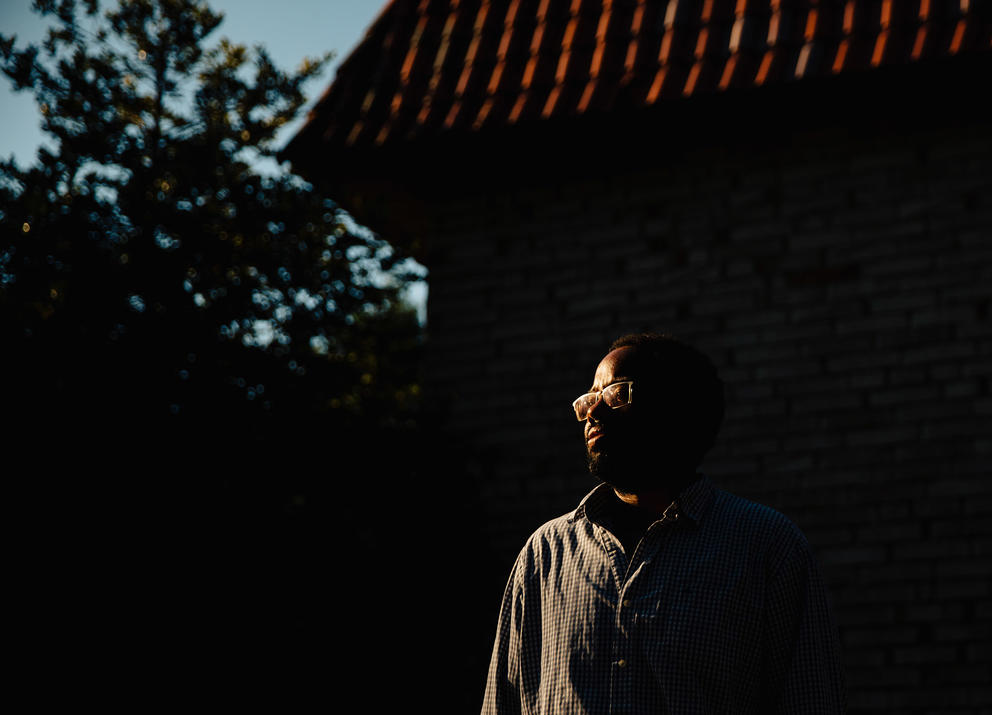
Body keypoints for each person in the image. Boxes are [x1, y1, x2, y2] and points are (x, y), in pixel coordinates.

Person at [482, 333, 845, 714]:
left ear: (677, 407)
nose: (593, 412)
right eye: (589, 399)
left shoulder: (766, 547)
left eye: (616, 394)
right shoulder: (545, 554)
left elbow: (812, 698)